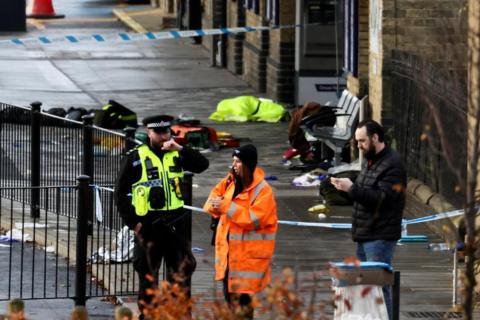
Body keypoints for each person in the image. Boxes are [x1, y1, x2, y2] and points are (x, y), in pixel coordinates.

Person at [114, 115, 209, 319]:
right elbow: (120, 193)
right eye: (159, 132)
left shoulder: (176, 153)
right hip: (148, 227)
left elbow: (203, 165)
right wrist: (133, 223)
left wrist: (182, 149)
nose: (164, 135)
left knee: (181, 274)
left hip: (174, 224)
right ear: (149, 133)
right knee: (148, 277)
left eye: (167, 131)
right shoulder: (135, 157)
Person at [330, 119, 406, 320]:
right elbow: (365, 192)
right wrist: (346, 189)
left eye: (362, 141)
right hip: (365, 234)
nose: (358, 146)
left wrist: (352, 188)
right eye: (356, 141)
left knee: (379, 288)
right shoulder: (372, 160)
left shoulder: (392, 164)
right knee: (365, 287)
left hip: (380, 236)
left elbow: (382, 199)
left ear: (375, 138)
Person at [203, 144, 277, 319]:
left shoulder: (263, 190)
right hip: (230, 259)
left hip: (248, 262)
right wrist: (216, 207)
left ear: (247, 164)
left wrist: (225, 206)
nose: (233, 165)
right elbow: (211, 201)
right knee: (232, 305)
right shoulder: (230, 181)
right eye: (233, 161)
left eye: (237, 162)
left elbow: (254, 220)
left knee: (242, 309)